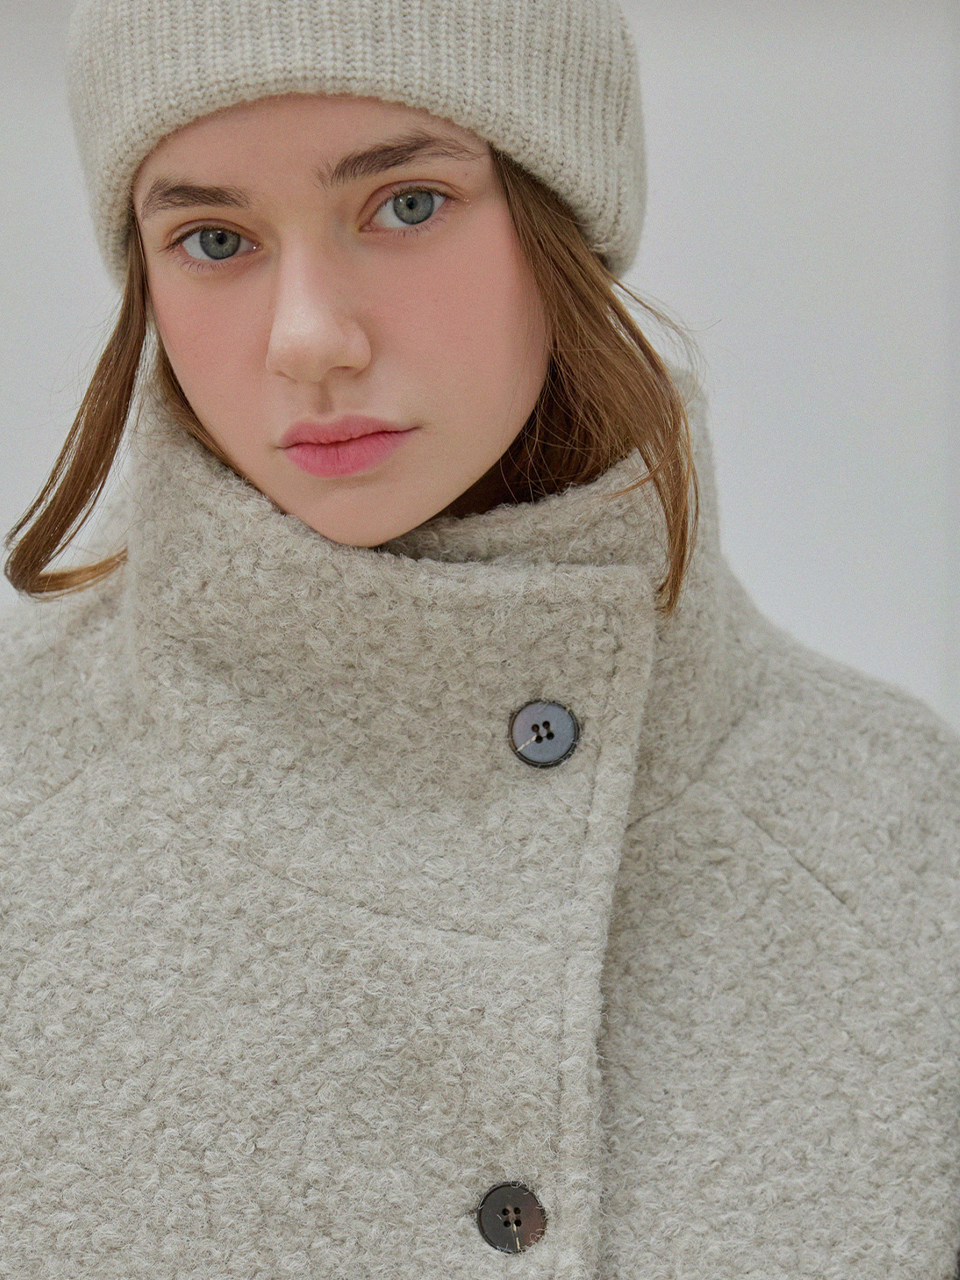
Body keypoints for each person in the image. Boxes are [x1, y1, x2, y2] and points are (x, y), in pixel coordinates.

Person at [2, 0, 959, 1275]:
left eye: (407, 204)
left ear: (563, 215)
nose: (310, 339)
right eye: (214, 238)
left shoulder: (906, 842)